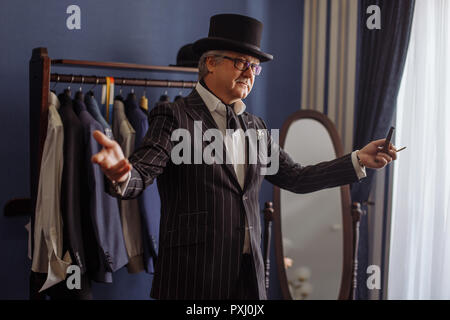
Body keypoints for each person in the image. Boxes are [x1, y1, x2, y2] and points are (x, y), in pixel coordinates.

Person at [91, 13, 397, 300]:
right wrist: (121, 173)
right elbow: (142, 172)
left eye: (255, 66)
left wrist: (357, 159)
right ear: (210, 63)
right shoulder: (174, 116)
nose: (250, 73)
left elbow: (298, 177)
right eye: (241, 63)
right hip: (192, 280)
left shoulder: (255, 127)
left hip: (248, 280)